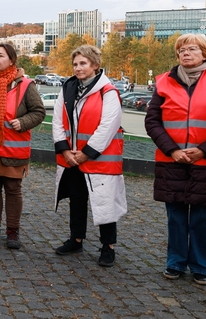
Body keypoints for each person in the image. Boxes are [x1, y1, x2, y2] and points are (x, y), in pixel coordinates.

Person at [145, 33, 206, 286]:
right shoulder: (164, 82)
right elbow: (152, 121)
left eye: (192, 49)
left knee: (202, 217)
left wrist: (203, 151)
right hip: (171, 161)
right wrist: (172, 150)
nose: (185, 53)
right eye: (181, 50)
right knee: (175, 215)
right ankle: (175, 262)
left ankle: (201, 266)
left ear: (205, 54)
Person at [52, 45, 127, 267]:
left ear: (95, 65)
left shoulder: (108, 92)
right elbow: (57, 120)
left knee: (105, 204)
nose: (78, 68)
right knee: (77, 200)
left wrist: (86, 154)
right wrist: (65, 150)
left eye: (83, 63)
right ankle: (76, 239)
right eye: (75, 64)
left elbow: (108, 126)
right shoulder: (67, 88)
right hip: (72, 158)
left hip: (99, 160)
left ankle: (108, 246)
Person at [0, 43, 45, 249]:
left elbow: (38, 112)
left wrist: (23, 123)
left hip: (13, 150)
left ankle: (13, 231)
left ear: (11, 60)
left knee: (13, 189)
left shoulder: (25, 85)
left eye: (0, 56)